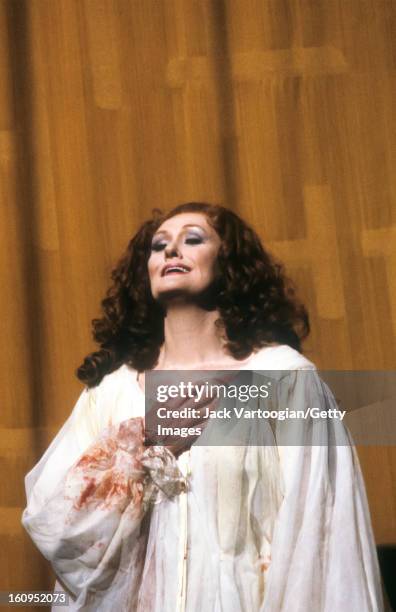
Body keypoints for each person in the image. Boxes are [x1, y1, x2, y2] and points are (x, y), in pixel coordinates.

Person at [22, 202, 384, 611]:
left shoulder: (284, 379)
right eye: (159, 247)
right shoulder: (112, 391)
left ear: (229, 265)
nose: (171, 252)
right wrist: (140, 447)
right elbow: (56, 525)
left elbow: (321, 531)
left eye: (193, 239)